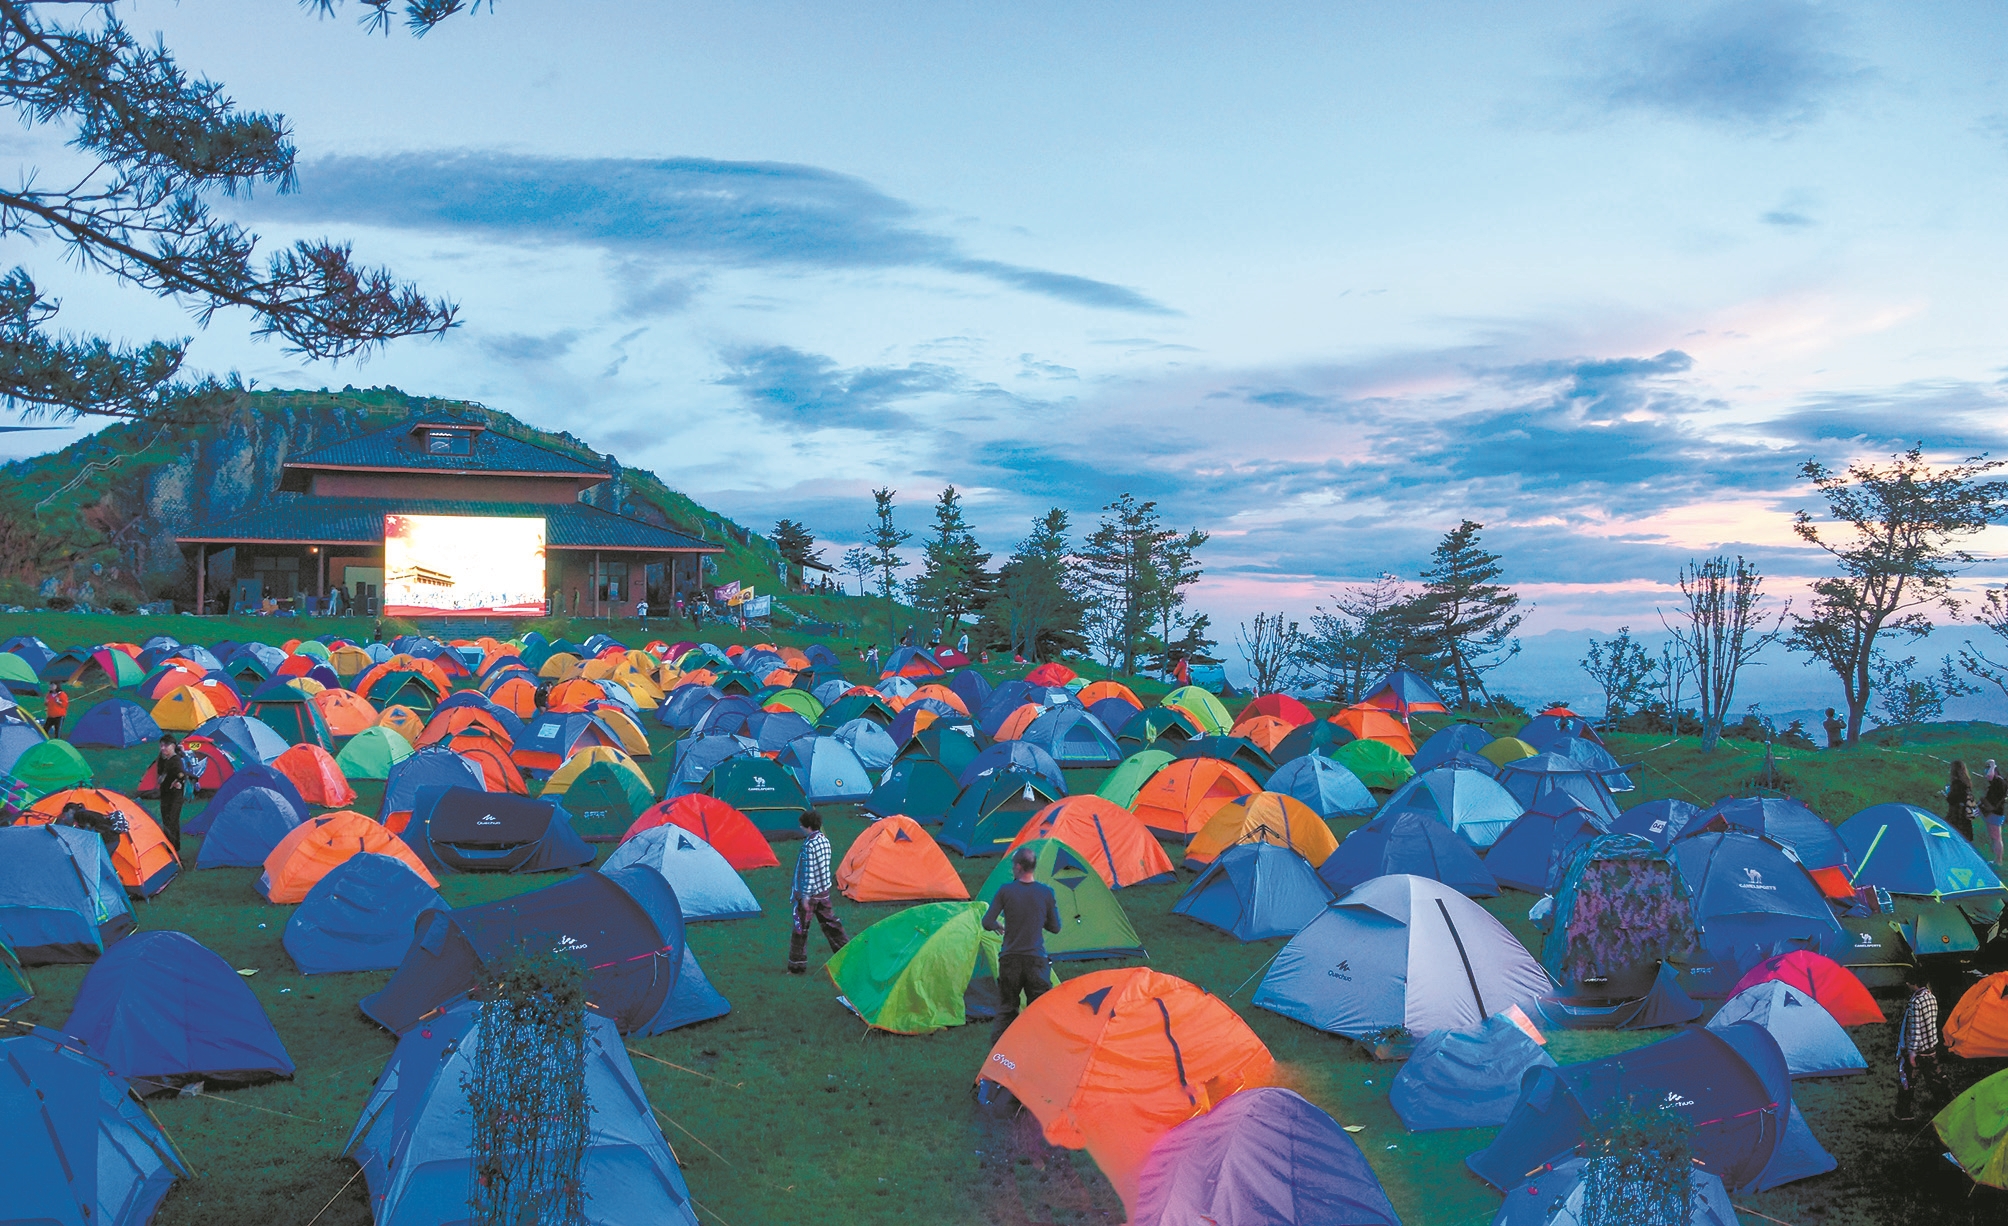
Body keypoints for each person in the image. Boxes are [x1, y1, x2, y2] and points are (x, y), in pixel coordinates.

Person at [981, 846, 1061, 1039]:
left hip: (1010, 960)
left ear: (1018, 867)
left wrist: (999, 925)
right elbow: (1055, 927)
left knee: (1007, 1009)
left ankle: (999, 1055)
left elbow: (987, 922)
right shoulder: (1046, 892)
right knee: (1038, 1009)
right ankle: (1038, 1051)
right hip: (1036, 961)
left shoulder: (1006, 891)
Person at [786, 812, 848, 974]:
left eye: (801, 825)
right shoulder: (824, 840)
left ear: (807, 826)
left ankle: (796, 966)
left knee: (801, 930)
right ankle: (847, 955)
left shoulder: (809, 846)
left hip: (810, 894)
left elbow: (808, 872)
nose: (800, 828)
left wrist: (805, 896)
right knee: (832, 925)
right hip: (823, 891)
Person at [1894, 970, 1943, 1120]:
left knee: (1908, 1080)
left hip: (1918, 1049)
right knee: (1936, 1079)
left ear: (1913, 983)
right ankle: (1947, 1106)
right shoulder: (1931, 997)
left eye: (1908, 982)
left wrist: (1912, 1053)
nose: (1907, 985)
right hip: (1931, 1046)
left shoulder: (1915, 1002)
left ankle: (1903, 1113)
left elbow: (1915, 1029)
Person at [153, 734, 188, 856]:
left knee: (171, 821)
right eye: (161, 746)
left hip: (174, 796)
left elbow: (182, 774)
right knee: (166, 820)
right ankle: (170, 847)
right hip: (165, 794)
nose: (163, 748)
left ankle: (173, 849)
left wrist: (178, 782)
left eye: (166, 746)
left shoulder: (175, 760)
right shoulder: (165, 759)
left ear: (173, 746)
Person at [1947, 760, 1978, 842]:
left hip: (1956, 816)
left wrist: (1948, 792)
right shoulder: (1967, 784)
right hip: (1965, 817)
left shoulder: (1956, 784)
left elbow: (1951, 799)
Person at [1982, 760, 2006, 864]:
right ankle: (1997, 859)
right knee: (1994, 837)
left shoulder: (1999, 781)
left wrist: (1992, 764)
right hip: (1994, 813)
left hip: (1995, 814)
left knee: (1996, 838)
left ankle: (1998, 861)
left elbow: (1989, 776)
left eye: (1989, 770)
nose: (1986, 772)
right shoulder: (1998, 782)